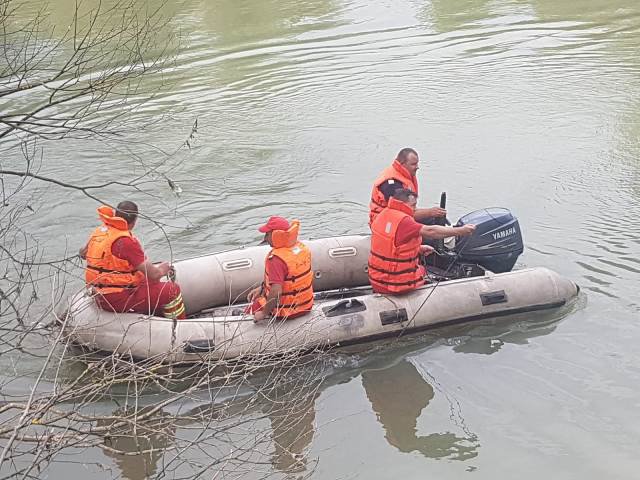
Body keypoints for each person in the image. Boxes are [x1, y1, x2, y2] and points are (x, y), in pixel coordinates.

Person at [81, 201, 186, 319]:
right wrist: (163, 269)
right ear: (134, 221)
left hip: (98, 293)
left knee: (150, 282)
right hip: (116, 299)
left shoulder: (100, 232)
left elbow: (83, 253)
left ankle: (156, 315)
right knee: (172, 289)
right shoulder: (126, 242)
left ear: (116, 215)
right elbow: (154, 274)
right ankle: (180, 327)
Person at [369, 189, 476, 294]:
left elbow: (390, 247)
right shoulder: (403, 221)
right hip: (394, 284)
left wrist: (418, 249)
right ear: (403, 204)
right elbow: (431, 231)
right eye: (413, 206)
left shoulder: (383, 215)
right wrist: (461, 231)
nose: (415, 209)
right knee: (424, 271)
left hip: (377, 280)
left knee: (419, 268)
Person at [246, 216, 314, 322]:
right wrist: (262, 288)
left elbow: (276, 292)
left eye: (267, 234)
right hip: (305, 307)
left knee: (248, 310)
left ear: (276, 235)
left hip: (287, 312)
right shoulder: (300, 249)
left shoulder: (276, 260)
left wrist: (263, 313)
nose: (265, 238)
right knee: (257, 298)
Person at [369, 147, 446, 226]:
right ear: (402, 164)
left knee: (433, 218)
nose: (417, 167)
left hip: (398, 217)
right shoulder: (392, 185)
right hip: (383, 223)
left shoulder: (404, 174)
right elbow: (403, 213)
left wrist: (433, 213)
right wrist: (430, 212)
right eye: (413, 164)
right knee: (427, 225)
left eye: (417, 163)